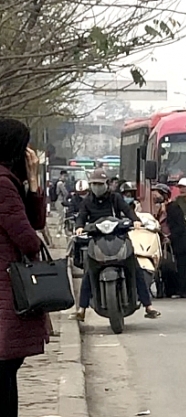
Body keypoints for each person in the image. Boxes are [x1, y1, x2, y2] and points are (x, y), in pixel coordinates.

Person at [0, 118, 48, 417]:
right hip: (6, 285)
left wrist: (33, 180)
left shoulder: (8, 181)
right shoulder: (2, 184)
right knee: (5, 369)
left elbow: (37, 221)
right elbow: (29, 237)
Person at [69, 169, 161, 321]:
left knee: (135, 268)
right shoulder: (87, 202)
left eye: (99, 184)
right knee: (88, 272)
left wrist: (135, 220)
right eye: (94, 184)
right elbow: (81, 218)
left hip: (119, 236)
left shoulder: (115, 198)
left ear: (106, 184)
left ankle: (148, 306)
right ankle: (81, 310)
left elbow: (128, 211)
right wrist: (79, 227)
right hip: (97, 240)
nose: (97, 187)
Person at [151, 184, 186, 298]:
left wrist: (170, 237)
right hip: (162, 242)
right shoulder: (156, 209)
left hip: (177, 242)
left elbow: (180, 226)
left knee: (180, 266)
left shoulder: (173, 207)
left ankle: (181, 291)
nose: (154, 195)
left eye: (157, 193)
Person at [54, 170, 70, 238]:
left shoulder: (59, 183)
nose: (65, 178)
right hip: (60, 202)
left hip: (59, 201)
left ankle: (61, 231)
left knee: (62, 217)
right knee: (61, 217)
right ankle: (59, 231)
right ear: (62, 175)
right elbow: (65, 193)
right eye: (65, 176)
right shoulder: (60, 184)